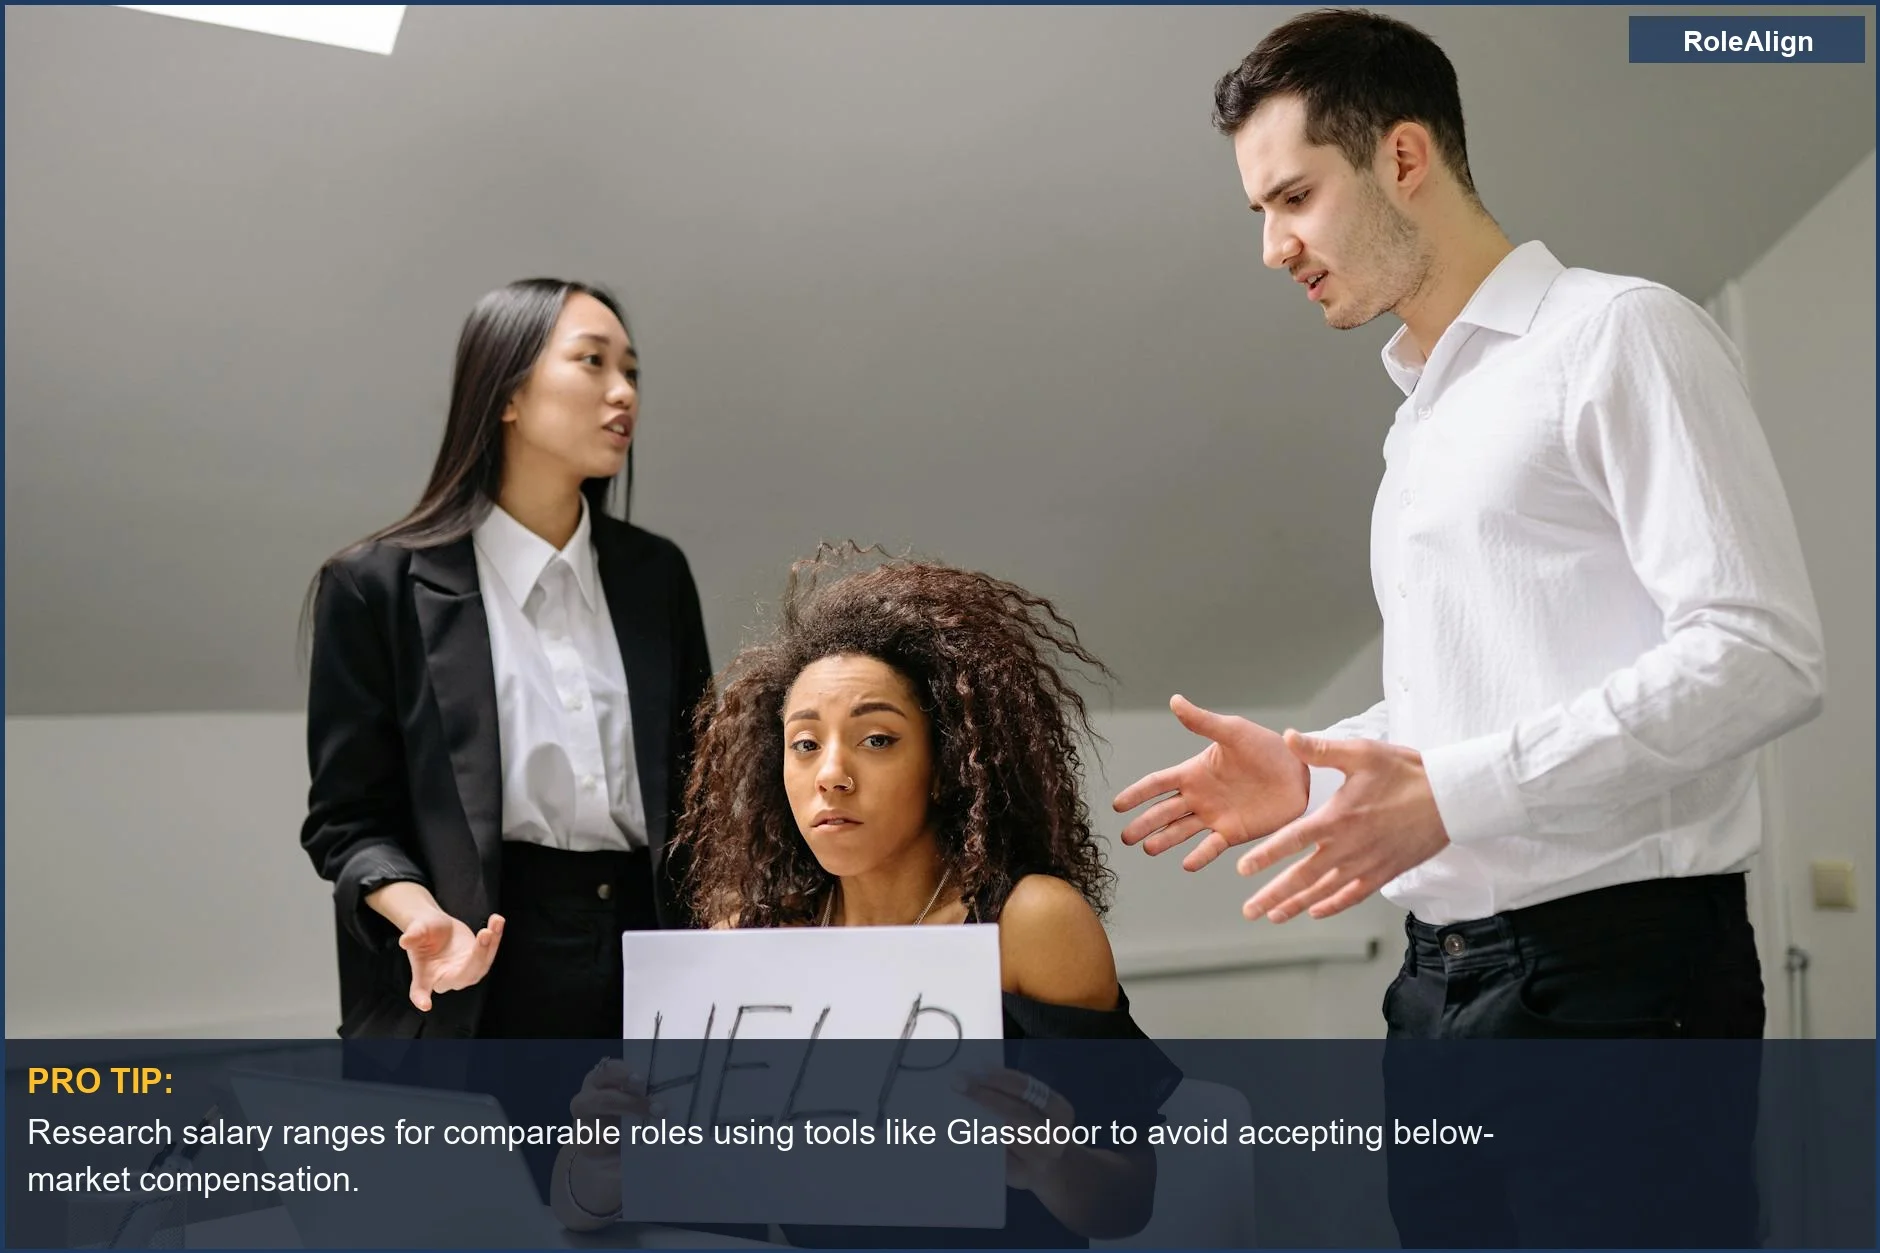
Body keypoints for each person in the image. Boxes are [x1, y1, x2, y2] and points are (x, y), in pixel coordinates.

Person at [1111, 8, 1822, 1246]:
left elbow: (1758, 653)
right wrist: (1318, 765)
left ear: (1400, 158)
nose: (1272, 249)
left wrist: (1456, 791)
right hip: (1436, 987)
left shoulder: (1618, 333)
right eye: (1257, 214)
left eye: (1292, 198)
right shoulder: (1421, 421)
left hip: (1620, 987)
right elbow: (1476, 701)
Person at [553, 547, 1181, 1246]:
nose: (831, 774)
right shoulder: (751, 940)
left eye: (876, 739)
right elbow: (581, 1209)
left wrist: (1056, 1163)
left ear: (944, 766)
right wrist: (600, 1160)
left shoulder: (1030, 920)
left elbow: (1128, 1201)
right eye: (803, 744)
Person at [300, 277, 712, 1042]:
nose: (623, 392)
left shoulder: (657, 575)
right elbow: (347, 822)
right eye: (592, 361)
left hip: (652, 957)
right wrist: (421, 917)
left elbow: (703, 788)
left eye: (632, 371)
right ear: (506, 394)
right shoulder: (373, 587)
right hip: (476, 966)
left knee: (643, 1165)